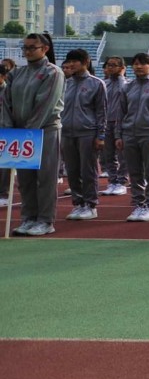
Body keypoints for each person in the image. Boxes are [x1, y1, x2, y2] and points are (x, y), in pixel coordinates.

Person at [5, 33, 64, 236]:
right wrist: (10, 128)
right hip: (20, 133)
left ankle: (45, 221)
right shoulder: (17, 73)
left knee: (45, 178)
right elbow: (6, 101)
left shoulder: (53, 72)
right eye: (25, 47)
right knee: (25, 179)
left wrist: (29, 131)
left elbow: (46, 104)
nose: (28, 51)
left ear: (45, 49)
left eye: (32, 47)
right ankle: (28, 218)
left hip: (45, 130)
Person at [117, 53, 149, 222]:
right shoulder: (127, 87)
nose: (138, 67)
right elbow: (121, 112)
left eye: (142, 64)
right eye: (135, 64)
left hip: (148, 134)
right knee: (134, 172)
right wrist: (118, 135)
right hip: (129, 134)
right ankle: (138, 204)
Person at [60, 49, 108, 222]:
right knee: (72, 171)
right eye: (69, 61)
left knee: (88, 171)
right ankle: (78, 203)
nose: (71, 64)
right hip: (67, 132)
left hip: (87, 132)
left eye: (75, 61)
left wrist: (101, 136)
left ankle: (90, 205)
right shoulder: (65, 83)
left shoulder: (96, 84)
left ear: (86, 62)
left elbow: (102, 112)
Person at [99, 56, 129, 197]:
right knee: (108, 155)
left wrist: (121, 76)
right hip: (106, 122)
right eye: (108, 65)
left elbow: (124, 92)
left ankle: (122, 182)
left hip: (120, 123)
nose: (110, 68)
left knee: (122, 155)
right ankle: (112, 181)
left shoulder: (127, 83)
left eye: (114, 65)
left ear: (122, 68)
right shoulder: (104, 83)